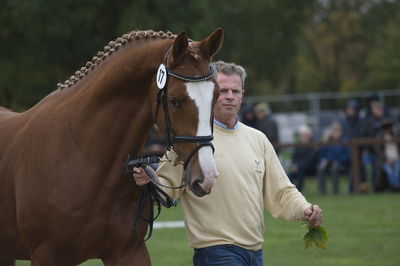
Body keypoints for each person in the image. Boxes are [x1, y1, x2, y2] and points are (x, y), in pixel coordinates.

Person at [133, 61, 323, 266]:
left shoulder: (258, 139)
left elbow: (282, 191)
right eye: (223, 90)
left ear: (243, 94)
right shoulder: (190, 140)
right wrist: (150, 179)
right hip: (215, 251)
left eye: (235, 90)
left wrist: (304, 209)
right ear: (211, 93)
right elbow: (167, 189)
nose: (230, 96)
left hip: (255, 252)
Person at [317, 121, 350, 195]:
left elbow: (346, 156)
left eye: (337, 131)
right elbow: (322, 154)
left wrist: (336, 161)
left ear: (341, 132)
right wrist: (325, 160)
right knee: (320, 168)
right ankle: (322, 191)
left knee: (334, 168)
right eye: (334, 131)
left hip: (342, 165)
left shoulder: (344, 141)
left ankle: (335, 191)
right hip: (329, 164)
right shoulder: (327, 141)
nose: (336, 133)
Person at [288, 124, 319, 192]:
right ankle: (289, 192)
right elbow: (294, 157)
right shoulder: (298, 145)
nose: (303, 136)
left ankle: (299, 191)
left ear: (309, 135)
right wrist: (294, 165)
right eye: (301, 134)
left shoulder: (313, 145)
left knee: (300, 172)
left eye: (304, 134)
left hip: (311, 168)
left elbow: (310, 159)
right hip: (298, 167)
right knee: (287, 175)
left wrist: (298, 166)